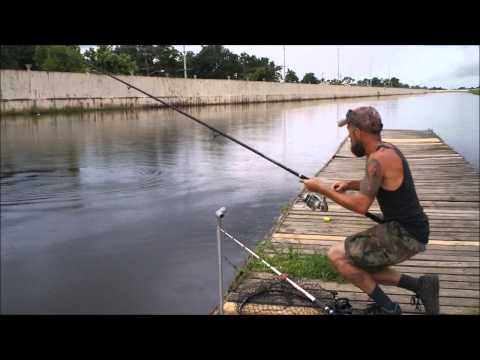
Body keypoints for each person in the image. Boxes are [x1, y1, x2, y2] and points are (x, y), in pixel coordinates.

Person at [302, 106, 439, 315]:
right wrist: (349, 184)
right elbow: (375, 182)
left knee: (338, 256)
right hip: (409, 227)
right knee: (357, 260)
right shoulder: (385, 150)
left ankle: (389, 308)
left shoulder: (377, 159)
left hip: (406, 234)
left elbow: (360, 206)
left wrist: (321, 187)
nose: (349, 138)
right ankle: (420, 286)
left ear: (357, 132)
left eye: (349, 132)